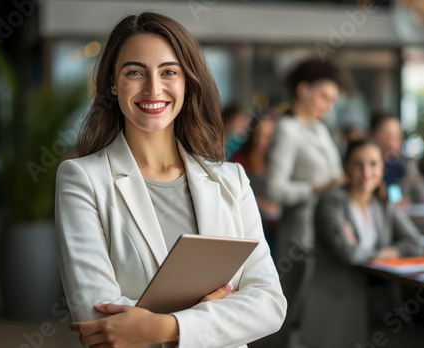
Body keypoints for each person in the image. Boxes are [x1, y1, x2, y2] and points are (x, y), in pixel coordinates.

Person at [54, 12, 286, 348]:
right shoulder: (82, 179)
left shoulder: (230, 179)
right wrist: (211, 319)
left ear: (187, 81)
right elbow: (99, 320)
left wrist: (169, 328)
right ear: (113, 84)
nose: (153, 88)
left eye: (169, 72)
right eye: (135, 72)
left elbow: (270, 304)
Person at [298, 139, 424, 347]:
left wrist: (375, 252)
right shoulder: (331, 201)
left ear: (382, 168)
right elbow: (347, 253)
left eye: (373, 164)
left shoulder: (383, 204)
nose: (366, 172)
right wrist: (383, 252)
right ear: (346, 166)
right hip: (339, 305)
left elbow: (416, 243)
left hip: (379, 304)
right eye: (358, 164)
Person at [266, 58, 350, 346]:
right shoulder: (287, 129)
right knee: (291, 311)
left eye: (333, 100)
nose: (328, 105)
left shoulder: (321, 129)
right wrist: (317, 187)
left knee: (316, 312)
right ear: (303, 89)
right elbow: (275, 189)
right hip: (299, 235)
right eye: (324, 96)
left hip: (327, 231)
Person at [231, 113, 281, 256]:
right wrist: (263, 204)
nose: (261, 141)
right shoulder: (239, 158)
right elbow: (235, 192)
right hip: (250, 221)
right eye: (258, 134)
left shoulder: (276, 159)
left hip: (276, 224)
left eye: (267, 136)